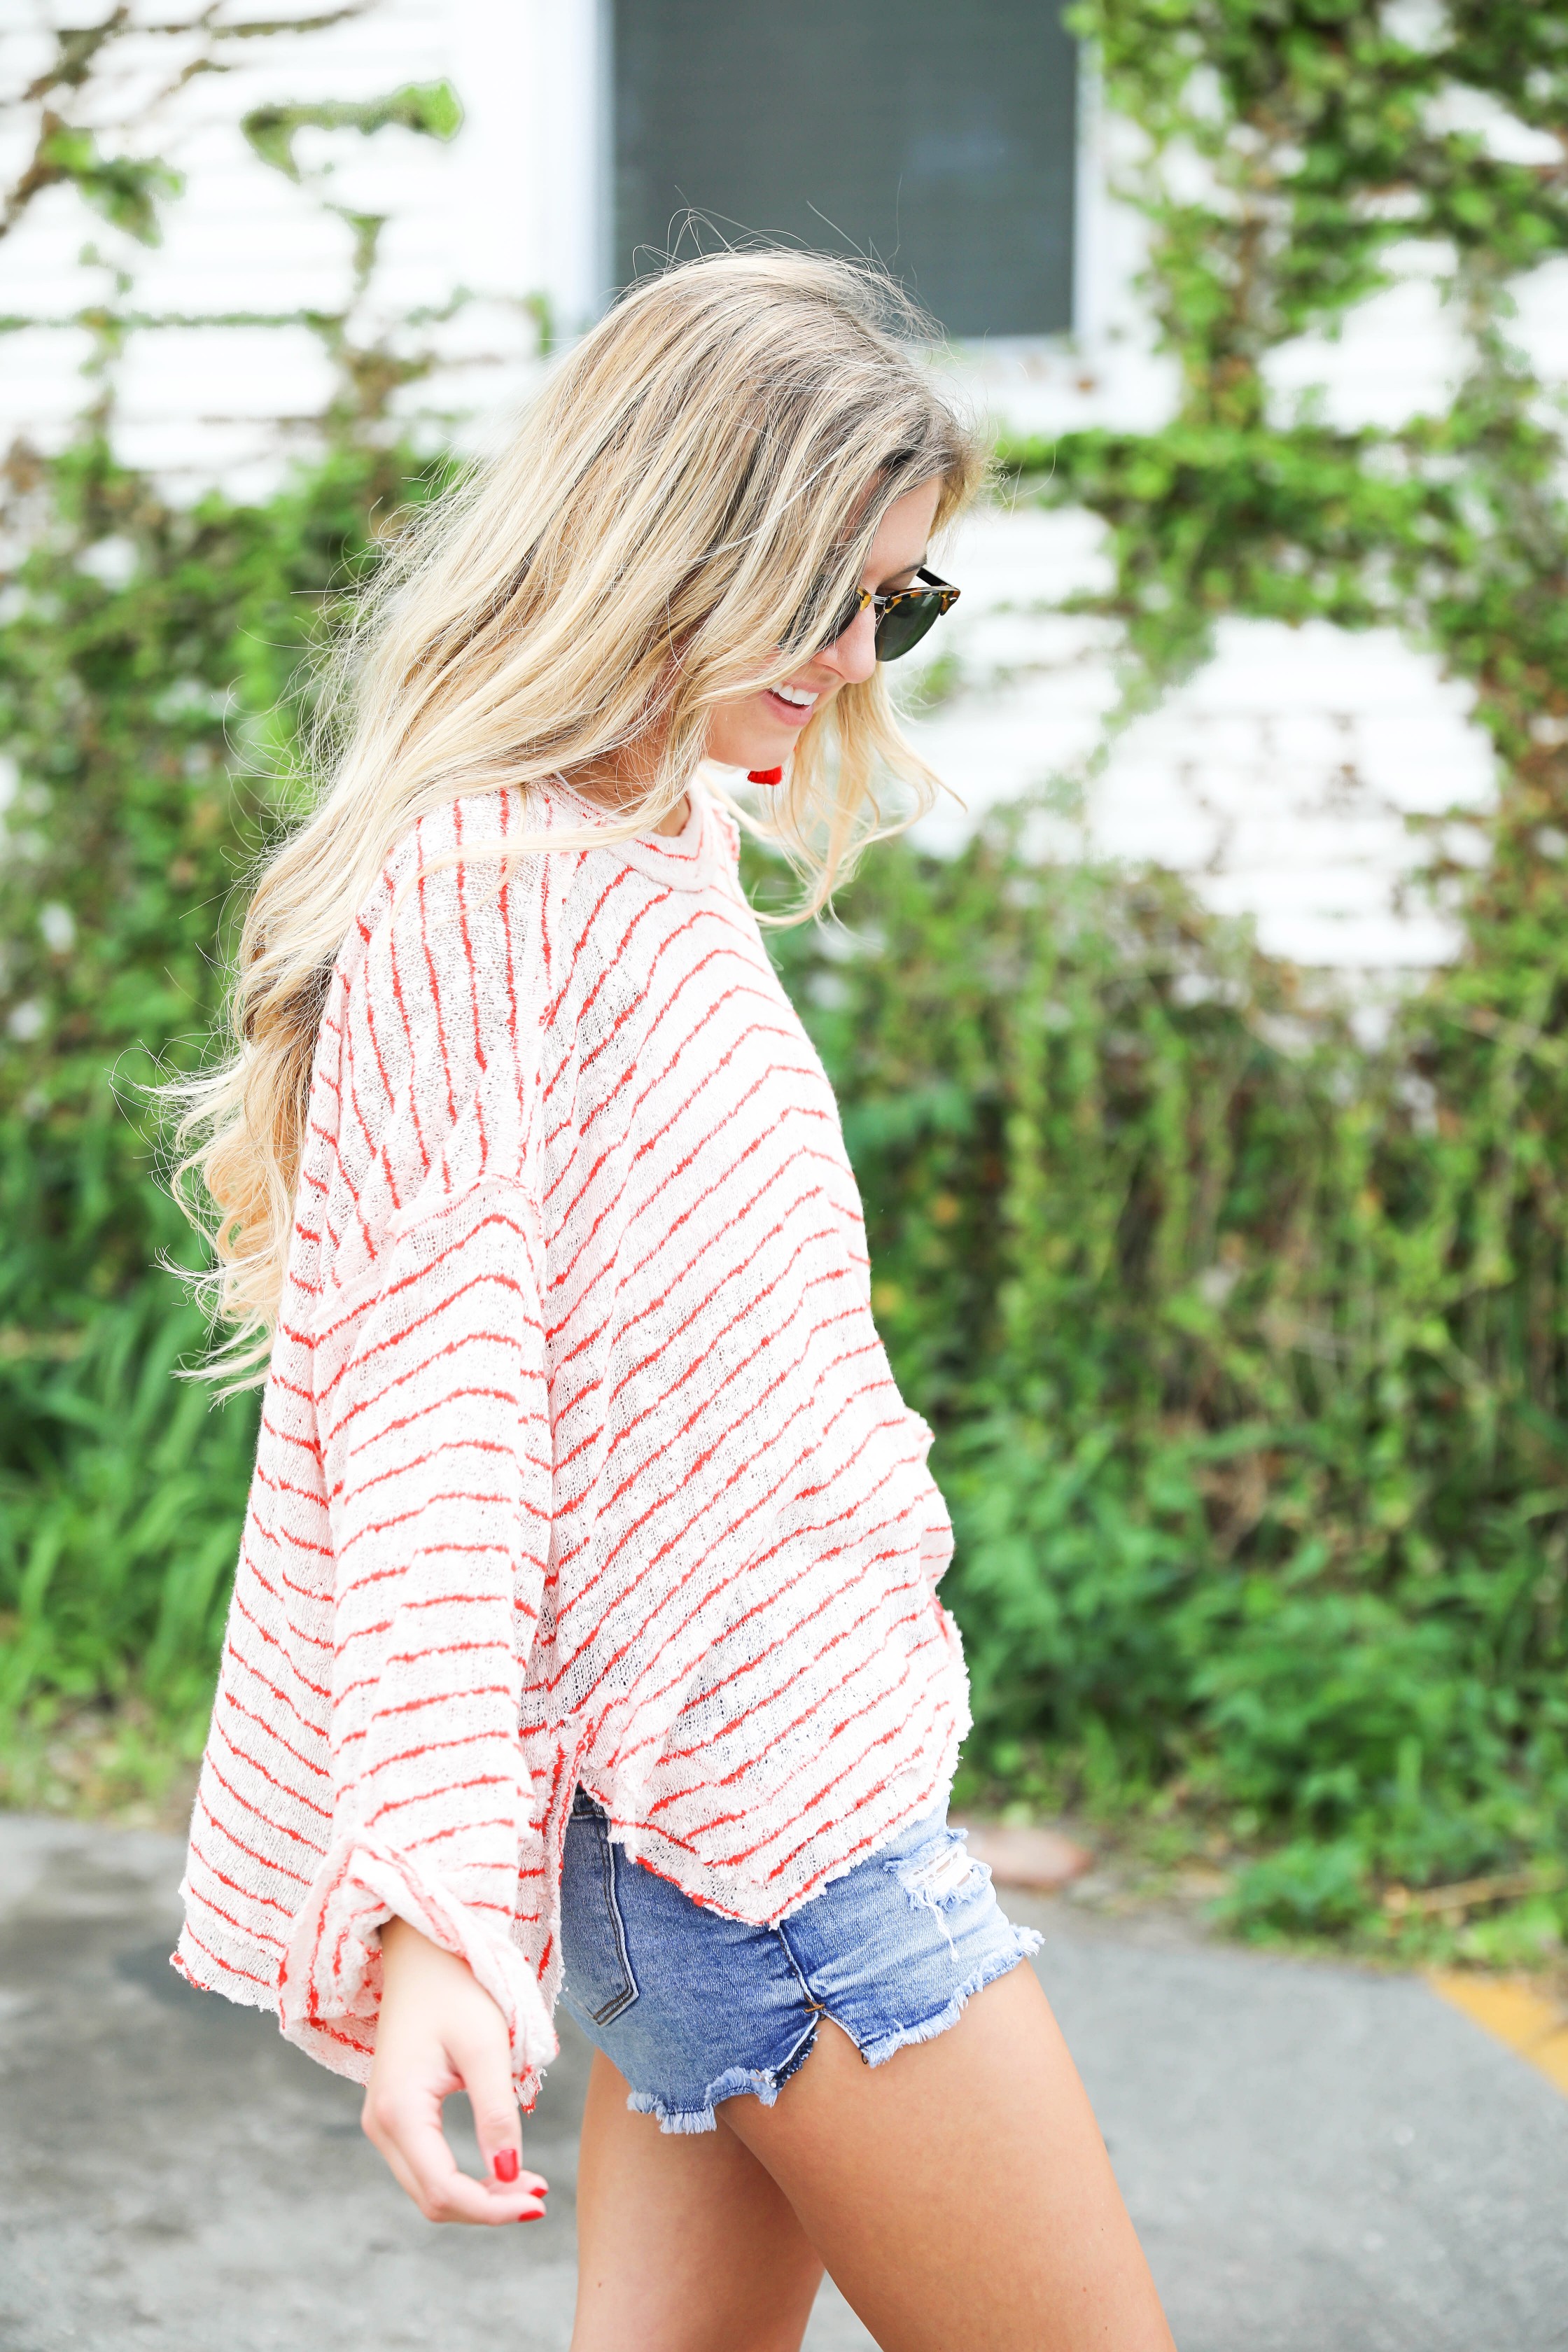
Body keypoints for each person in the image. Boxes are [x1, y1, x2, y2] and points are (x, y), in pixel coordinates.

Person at [171, 251, 1175, 2352]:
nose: (852, 650)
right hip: (762, 1834)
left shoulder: (656, 826)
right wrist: (439, 1914)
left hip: (758, 1783)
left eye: (899, 603)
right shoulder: (488, 881)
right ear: (669, 543)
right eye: (824, 590)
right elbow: (446, 1428)